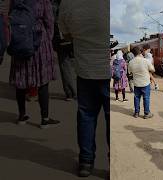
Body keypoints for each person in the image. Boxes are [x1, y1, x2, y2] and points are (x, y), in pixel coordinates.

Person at [59, 0, 109, 177]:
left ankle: (86, 162)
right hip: (108, 73)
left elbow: (66, 35)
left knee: (86, 116)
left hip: (85, 70)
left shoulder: (67, 3)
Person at [9, 0, 60, 128]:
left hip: (20, 39)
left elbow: (11, 16)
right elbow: (49, 21)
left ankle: (22, 116)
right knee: (43, 81)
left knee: (20, 79)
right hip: (38, 39)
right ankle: (45, 119)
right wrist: (48, 39)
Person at [52, 0, 76, 101]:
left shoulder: (53, 5)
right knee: (76, 66)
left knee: (65, 67)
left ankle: (71, 93)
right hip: (74, 38)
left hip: (61, 40)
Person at [128, 46, 155, 119]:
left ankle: (136, 113)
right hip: (145, 83)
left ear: (133, 54)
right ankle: (146, 113)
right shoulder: (146, 61)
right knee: (146, 98)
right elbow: (153, 70)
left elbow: (129, 73)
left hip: (136, 83)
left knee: (136, 98)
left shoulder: (131, 62)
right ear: (140, 52)